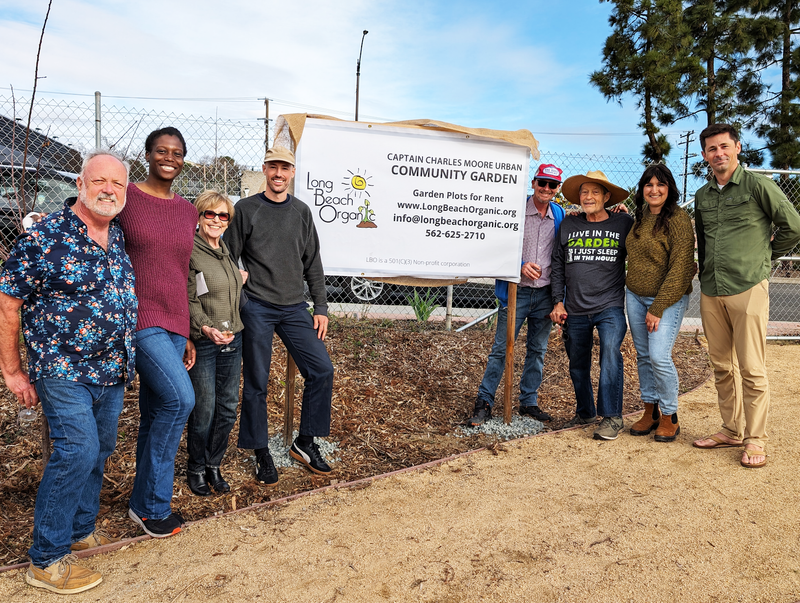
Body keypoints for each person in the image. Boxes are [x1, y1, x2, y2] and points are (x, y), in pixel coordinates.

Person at [0, 151, 136, 594]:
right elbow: (9, 303)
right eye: (100, 181)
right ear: (80, 184)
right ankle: (46, 558)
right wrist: (13, 370)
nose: (108, 190)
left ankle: (79, 531)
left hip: (111, 367)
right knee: (77, 449)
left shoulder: (115, 236)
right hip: (61, 368)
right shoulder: (44, 237)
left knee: (100, 449)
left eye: (117, 184)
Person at [692, 123, 800, 468]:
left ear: (737, 148)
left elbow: (793, 225)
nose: (718, 154)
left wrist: (765, 259)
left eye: (724, 146)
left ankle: (755, 439)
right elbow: (704, 240)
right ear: (705, 155)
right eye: (711, 149)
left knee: (752, 368)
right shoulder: (703, 195)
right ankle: (731, 428)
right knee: (721, 365)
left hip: (748, 287)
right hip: (711, 289)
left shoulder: (758, 185)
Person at [224, 146, 334, 483]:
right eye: (273, 167)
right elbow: (227, 255)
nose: (278, 174)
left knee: (321, 370)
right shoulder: (246, 209)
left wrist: (321, 307)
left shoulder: (301, 211)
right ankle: (260, 452)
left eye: (284, 168)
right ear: (264, 169)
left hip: (294, 307)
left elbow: (312, 262)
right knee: (257, 381)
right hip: (257, 305)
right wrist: (236, 289)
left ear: (292, 172)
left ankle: (304, 443)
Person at [119, 127, 198, 536]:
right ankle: (153, 506)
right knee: (181, 400)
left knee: (155, 414)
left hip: (172, 322)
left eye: (178, 153)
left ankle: (140, 503)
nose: (170, 158)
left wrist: (184, 332)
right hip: (139, 318)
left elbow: (179, 273)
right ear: (147, 155)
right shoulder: (127, 198)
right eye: (162, 151)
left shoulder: (188, 211)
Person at [469, 164, 566, 425]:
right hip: (516, 292)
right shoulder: (514, 211)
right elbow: (497, 245)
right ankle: (484, 401)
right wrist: (520, 264)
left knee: (537, 349)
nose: (546, 188)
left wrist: (617, 210)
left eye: (552, 184)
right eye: (542, 183)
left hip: (545, 294)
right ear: (533, 183)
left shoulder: (559, 214)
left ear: (558, 188)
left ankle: (528, 402)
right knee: (501, 349)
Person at [550, 170, 633, 441]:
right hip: (574, 307)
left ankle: (612, 417)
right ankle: (585, 411)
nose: (588, 197)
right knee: (578, 363)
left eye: (595, 192)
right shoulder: (569, 225)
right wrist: (558, 302)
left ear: (607, 197)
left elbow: (645, 240)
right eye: (584, 192)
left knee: (610, 353)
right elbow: (558, 265)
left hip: (609, 306)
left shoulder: (623, 223)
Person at [625, 164, 695, 442]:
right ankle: (650, 410)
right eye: (648, 185)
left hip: (666, 299)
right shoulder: (639, 216)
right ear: (642, 190)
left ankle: (670, 416)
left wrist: (657, 308)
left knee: (659, 356)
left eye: (660, 184)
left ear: (669, 188)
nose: (654, 190)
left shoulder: (678, 220)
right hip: (634, 295)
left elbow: (681, 269)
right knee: (643, 356)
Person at [186, 190, 245, 496]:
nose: (217, 220)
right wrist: (204, 328)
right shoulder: (191, 251)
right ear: (199, 216)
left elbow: (229, 290)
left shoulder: (225, 251)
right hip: (206, 341)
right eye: (210, 214)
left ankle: (213, 464)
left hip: (233, 338)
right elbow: (190, 297)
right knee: (205, 409)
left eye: (223, 215)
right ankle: (195, 467)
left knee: (227, 407)